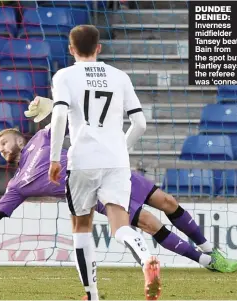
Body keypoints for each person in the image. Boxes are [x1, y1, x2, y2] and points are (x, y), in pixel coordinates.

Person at [0, 98, 237, 277]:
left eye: (3, 142)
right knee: (150, 223)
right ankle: (206, 261)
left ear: (19, 138)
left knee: (168, 202)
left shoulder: (43, 137)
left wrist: (48, 102)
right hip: (96, 192)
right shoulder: (17, 184)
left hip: (109, 167)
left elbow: (68, 110)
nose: (1, 149)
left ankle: (210, 249)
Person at [47, 25, 156, 300]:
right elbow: (140, 123)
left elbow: (59, 117)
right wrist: (122, 147)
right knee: (120, 224)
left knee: (81, 227)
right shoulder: (119, 76)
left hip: (83, 160)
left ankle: (91, 294)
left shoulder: (64, 76)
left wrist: (53, 158)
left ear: (71, 49)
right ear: (99, 48)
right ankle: (146, 258)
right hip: (116, 161)